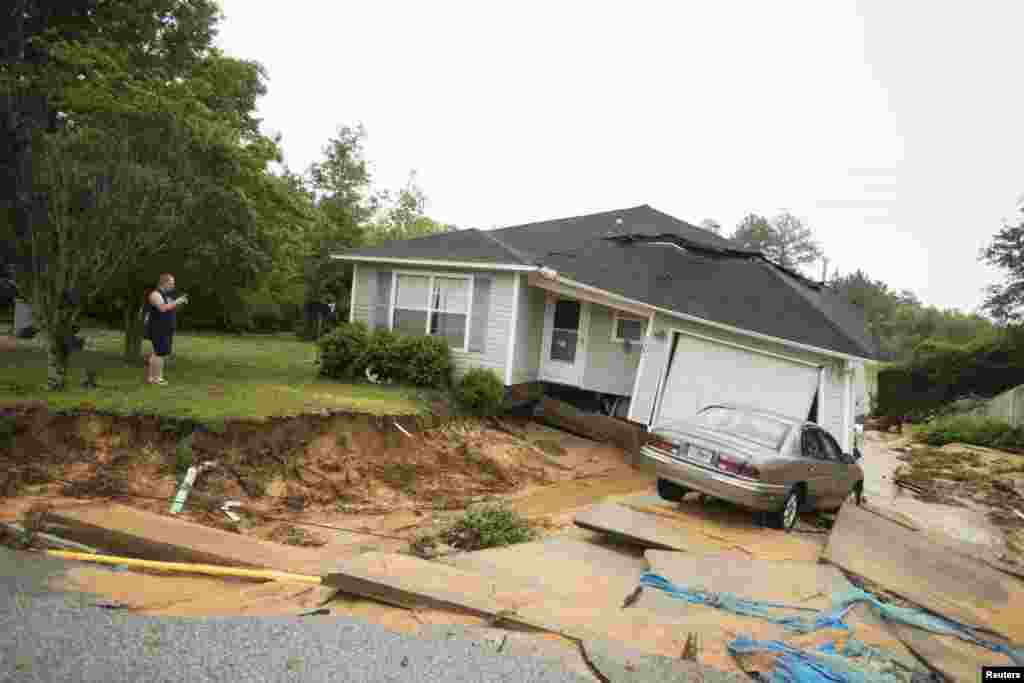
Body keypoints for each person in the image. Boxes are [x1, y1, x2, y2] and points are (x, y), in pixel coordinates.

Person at [144, 273, 187, 386]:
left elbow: (169, 308)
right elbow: (162, 308)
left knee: (156, 353)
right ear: (165, 283)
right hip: (158, 328)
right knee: (159, 353)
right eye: (171, 283)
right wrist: (177, 301)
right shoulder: (155, 294)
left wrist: (178, 303)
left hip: (165, 329)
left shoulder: (166, 295)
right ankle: (158, 378)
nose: (173, 286)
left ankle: (152, 378)